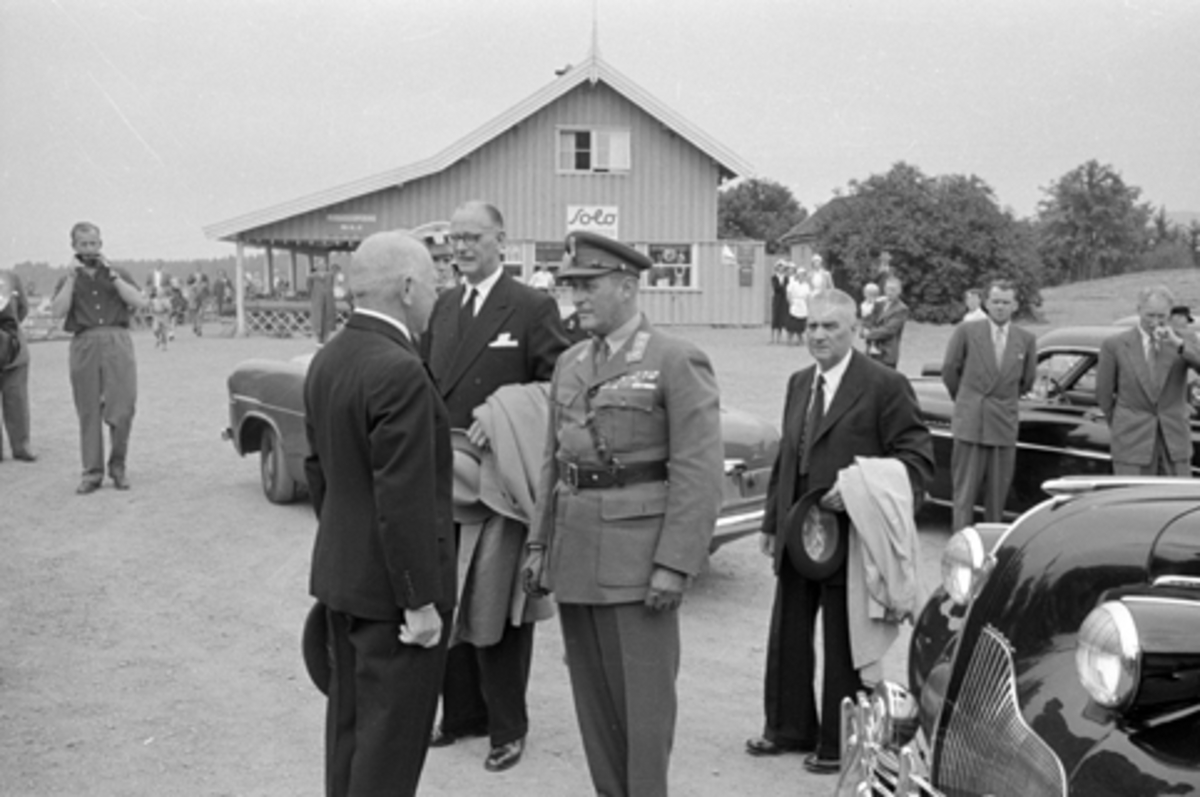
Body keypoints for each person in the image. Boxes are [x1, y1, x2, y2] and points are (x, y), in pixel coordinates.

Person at [522, 230, 724, 797]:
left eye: (588, 286)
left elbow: (698, 472)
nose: (576, 298)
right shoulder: (570, 363)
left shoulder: (674, 359)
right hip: (577, 557)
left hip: (639, 567)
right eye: (572, 287)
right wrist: (539, 546)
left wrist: (675, 564)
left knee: (644, 712)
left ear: (629, 287)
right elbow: (551, 463)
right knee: (595, 710)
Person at [746, 289, 933, 774]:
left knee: (843, 637)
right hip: (797, 530)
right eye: (811, 326)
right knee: (788, 630)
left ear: (854, 331)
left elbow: (916, 461)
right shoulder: (797, 382)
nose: (818, 335)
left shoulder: (884, 385)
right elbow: (788, 456)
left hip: (849, 536)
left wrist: (855, 488)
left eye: (830, 326)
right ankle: (787, 728)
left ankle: (841, 741)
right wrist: (772, 522)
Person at [304, 230, 456, 797]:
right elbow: (405, 498)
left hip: (346, 581)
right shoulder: (400, 369)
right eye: (436, 284)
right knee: (390, 754)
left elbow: (319, 471)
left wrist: (353, 547)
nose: (439, 296)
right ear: (409, 287)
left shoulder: (330, 357)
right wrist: (419, 601)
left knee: (349, 735)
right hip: (395, 601)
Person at [422, 200, 569, 772]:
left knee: (500, 604)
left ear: (500, 240)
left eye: (473, 237)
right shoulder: (443, 306)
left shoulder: (532, 305)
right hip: (446, 477)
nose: (461, 247)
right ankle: (461, 716)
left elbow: (557, 382)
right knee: (449, 596)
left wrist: (503, 408)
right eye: (454, 238)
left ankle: (508, 725)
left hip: (500, 480)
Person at [50, 222, 147, 494]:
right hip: (84, 342)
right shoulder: (67, 277)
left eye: (94, 244)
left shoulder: (118, 272)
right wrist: (70, 278)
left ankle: (118, 465)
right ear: (74, 248)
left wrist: (113, 276)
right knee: (88, 409)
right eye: (84, 245)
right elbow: (57, 313)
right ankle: (92, 473)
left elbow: (139, 302)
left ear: (101, 244)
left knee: (123, 407)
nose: (90, 250)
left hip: (117, 339)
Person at [940, 281, 1038, 531]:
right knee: (965, 495)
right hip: (971, 421)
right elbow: (951, 371)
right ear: (986, 303)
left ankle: (990, 552)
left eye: (1006, 302)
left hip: (1003, 424)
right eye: (995, 301)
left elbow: (1026, 381)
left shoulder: (1025, 339)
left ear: (1015, 306)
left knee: (997, 496)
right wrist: (967, 401)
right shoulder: (967, 331)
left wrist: (1002, 401)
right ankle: (959, 547)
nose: (1000, 307)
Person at [1095, 285, 1200, 476]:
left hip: (1174, 443)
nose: (1155, 322)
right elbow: (1104, 395)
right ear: (1138, 310)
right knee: (1134, 502)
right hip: (1132, 443)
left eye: (1162, 316)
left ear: (1169, 313)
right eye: (1150, 315)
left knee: (1176, 503)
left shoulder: (1185, 339)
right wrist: (1123, 423)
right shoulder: (1115, 345)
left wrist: (1178, 344)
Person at [0, 270, 36, 462]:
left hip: (13, 351)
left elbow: (22, 309)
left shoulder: (11, 278)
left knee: (17, 400)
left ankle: (21, 446)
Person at [861, 276, 909, 368]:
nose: (889, 292)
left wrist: (869, 334)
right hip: (870, 354)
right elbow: (870, 320)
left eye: (893, 290)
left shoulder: (901, 309)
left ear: (899, 291)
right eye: (887, 289)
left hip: (886, 355)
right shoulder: (879, 304)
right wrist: (864, 329)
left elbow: (889, 330)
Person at [308, 260, 337, 345]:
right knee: (318, 320)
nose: (322, 266)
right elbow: (309, 289)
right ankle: (319, 339)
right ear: (317, 267)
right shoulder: (311, 277)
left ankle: (325, 339)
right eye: (320, 265)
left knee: (327, 319)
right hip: (317, 300)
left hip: (328, 300)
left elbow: (331, 286)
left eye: (324, 265)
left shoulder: (330, 275)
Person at [785, 263, 810, 346]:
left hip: (802, 305)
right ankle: (789, 340)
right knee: (792, 324)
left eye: (803, 275)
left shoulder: (807, 286)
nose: (801, 276)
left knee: (801, 325)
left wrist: (808, 306)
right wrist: (791, 303)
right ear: (797, 275)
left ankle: (800, 340)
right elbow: (788, 294)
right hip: (795, 304)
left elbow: (807, 297)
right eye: (800, 275)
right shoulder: (792, 284)